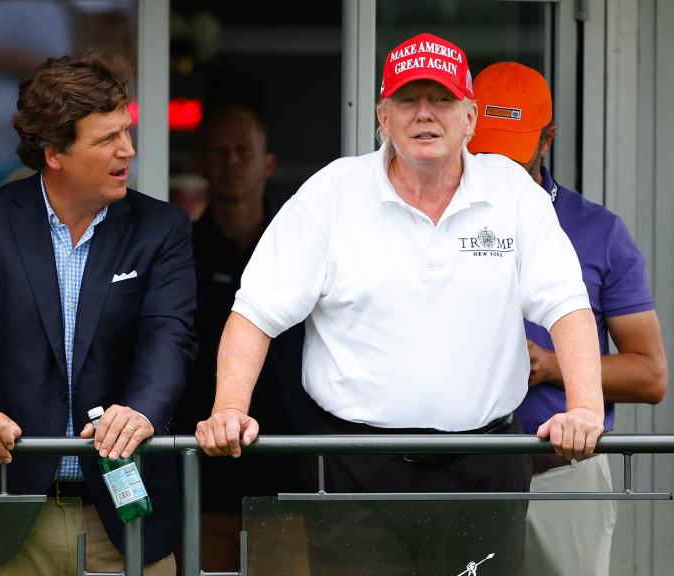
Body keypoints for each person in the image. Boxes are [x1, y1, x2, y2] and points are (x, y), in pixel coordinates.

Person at [195, 33, 605, 575]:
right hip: (356, 470)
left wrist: (585, 407)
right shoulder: (332, 193)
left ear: (470, 118)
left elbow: (567, 307)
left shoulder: (513, 193)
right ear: (382, 118)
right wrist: (229, 409)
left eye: (442, 100)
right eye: (408, 100)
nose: (425, 115)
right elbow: (255, 314)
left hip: (485, 468)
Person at [0, 51, 195, 576]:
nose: (128, 150)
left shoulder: (161, 228)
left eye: (126, 132)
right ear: (55, 153)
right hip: (3, 511)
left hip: (125, 513)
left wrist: (140, 409)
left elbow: (171, 335)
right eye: (106, 139)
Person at [468, 62, 668, 576]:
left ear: (548, 138)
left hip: (562, 472)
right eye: (485, 152)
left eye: (512, 154)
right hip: (460, 469)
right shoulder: (433, 217)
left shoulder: (598, 230)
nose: (501, 171)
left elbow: (650, 376)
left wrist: (554, 366)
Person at [173, 105, 316, 573]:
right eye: (219, 151)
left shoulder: (300, 250)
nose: (231, 162)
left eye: (243, 151)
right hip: (199, 471)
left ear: (267, 164)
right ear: (201, 164)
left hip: (286, 470)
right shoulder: (178, 256)